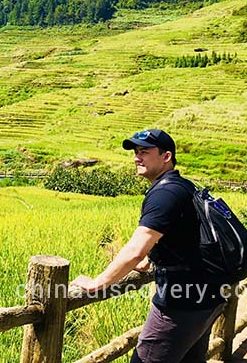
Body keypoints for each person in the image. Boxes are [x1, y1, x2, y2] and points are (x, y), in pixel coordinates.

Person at [70, 129, 224, 363]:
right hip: (207, 298)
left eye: (144, 151)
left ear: (166, 156)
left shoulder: (165, 193)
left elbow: (135, 250)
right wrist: (151, 260)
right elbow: (182, 236)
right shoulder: (183, 186)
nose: (136, 157)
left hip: (180, 305)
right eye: (135, 152)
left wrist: (96, 283)